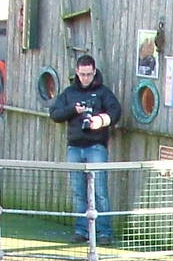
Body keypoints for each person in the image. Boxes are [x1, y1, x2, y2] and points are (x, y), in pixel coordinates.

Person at [49, 54, 124, 244]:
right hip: (74, 148)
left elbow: (116, 111)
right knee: (78, 191)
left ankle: (105, 232)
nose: (85, 78)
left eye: (89, 74)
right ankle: (82, 230)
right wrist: (74, 110)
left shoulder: (103, 92)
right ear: (77, 72)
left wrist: (100, 121)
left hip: (96, 147)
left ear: (94, 71)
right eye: (82, 74)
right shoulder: (69, 93)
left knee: (100, 191)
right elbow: (55, 114)